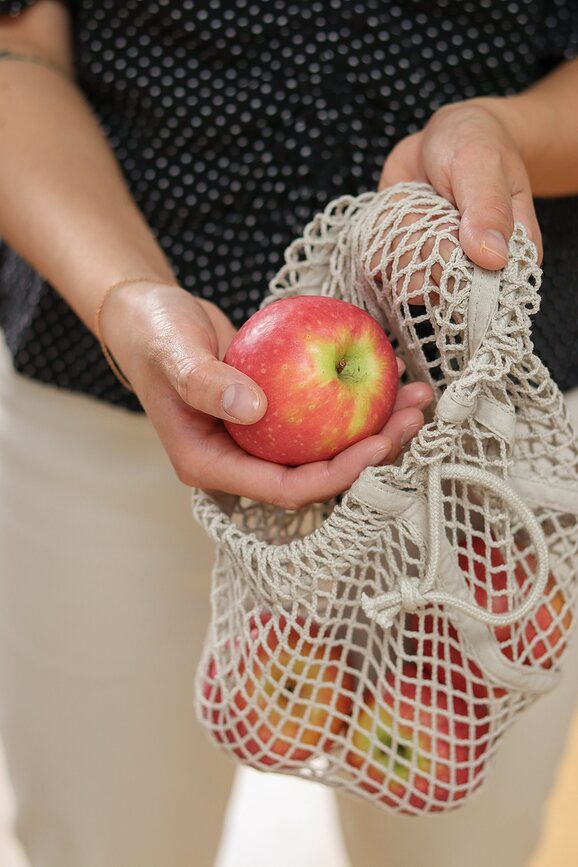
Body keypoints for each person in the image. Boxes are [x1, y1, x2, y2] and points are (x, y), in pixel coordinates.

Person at [0, 1, 576, 866]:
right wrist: (121, 293)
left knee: (461, 846)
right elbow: (17, 49)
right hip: (106, 415)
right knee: (105, 838)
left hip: (486, 456)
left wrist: (506, 135)